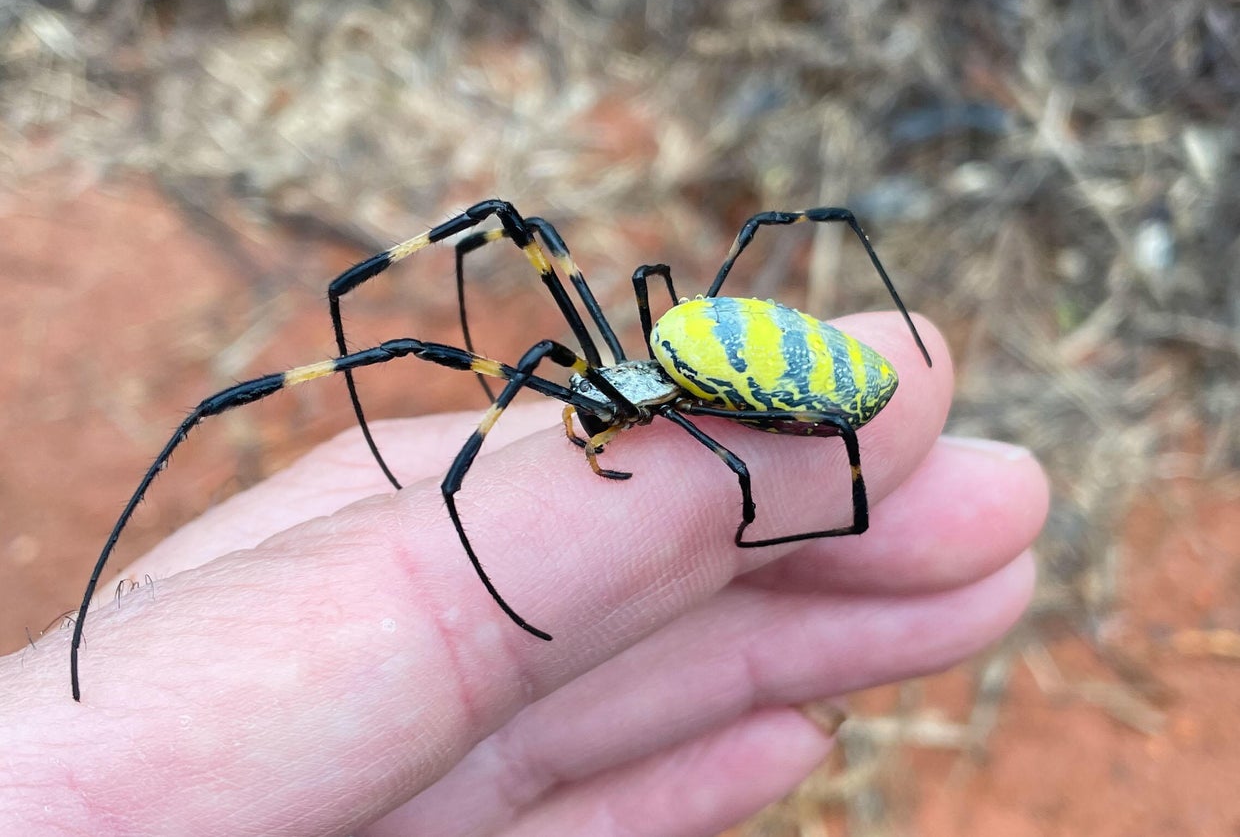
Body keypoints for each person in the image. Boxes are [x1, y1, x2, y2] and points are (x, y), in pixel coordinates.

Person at [0, 315, 1046, 835]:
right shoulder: (626, 386)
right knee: (436, 346)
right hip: (729, 367)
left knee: (737, 475)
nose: (586, 412)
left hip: (789, 387)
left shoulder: (700, 427)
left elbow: (812, 497)